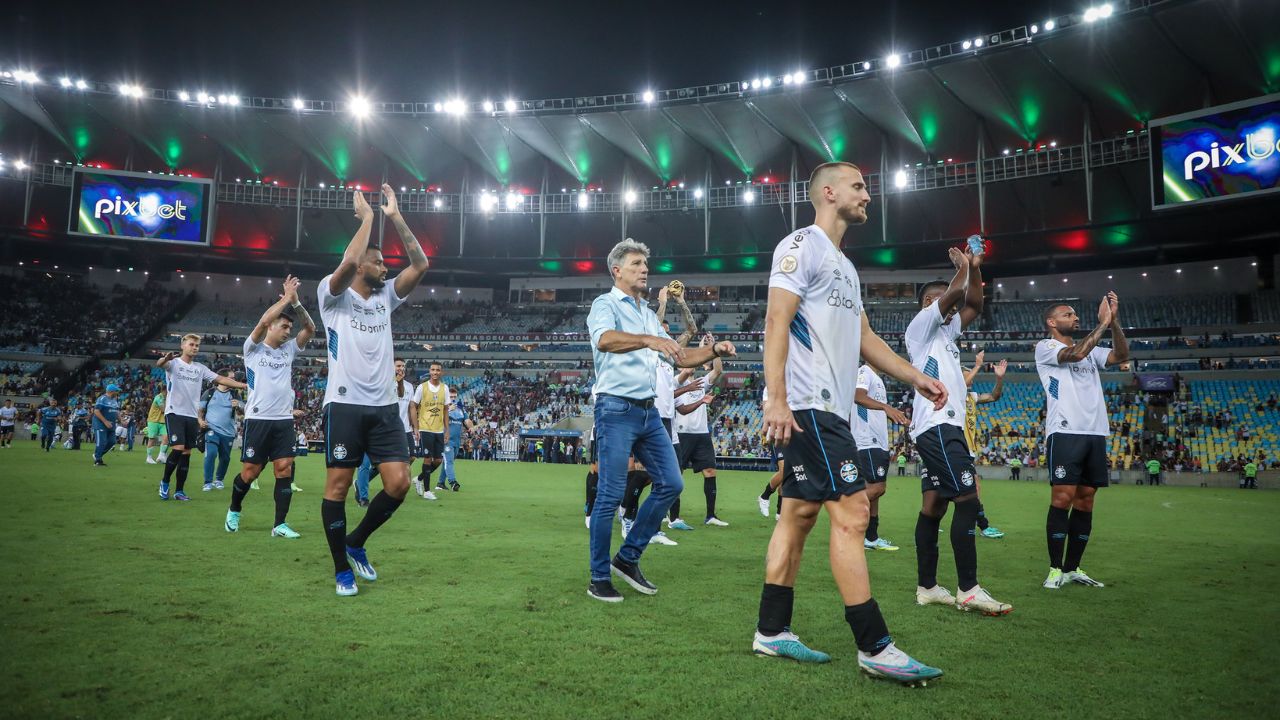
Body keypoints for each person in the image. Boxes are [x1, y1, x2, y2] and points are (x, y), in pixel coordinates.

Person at [755, 161, 944, 684]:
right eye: (860, 186)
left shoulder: (845, 266)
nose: (868, 195)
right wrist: (776, 397)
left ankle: (771, 631)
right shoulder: (801, 245)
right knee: (855, 512)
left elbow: (866, 340)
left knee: (797, 517)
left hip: (828, 408)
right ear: (830, 192)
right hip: (811, 403)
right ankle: (874, 645)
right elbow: (776, 319)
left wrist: (916, 378)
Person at [585, 237, 736, 603]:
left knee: (671, 483)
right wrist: (648, 341)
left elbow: (680, 357)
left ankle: (628, 557)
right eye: (636, 264)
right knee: (608, 495)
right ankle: (599, 577)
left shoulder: (648, 315)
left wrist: (713, 350)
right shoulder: (605, 305)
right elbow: (604, 340)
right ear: (617, 270)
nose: (644, 270)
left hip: (649, 411)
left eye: (645, 265)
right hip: (616, 408)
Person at [317, 185, 428, 596]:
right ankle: (340, 569)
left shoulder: (386, 298)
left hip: (383, 407)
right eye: (378, 262)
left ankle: (356, 542)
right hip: (344, 405)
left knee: (398, 483)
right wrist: (367, 221)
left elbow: (421, 263)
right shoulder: (332, 298)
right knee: (339, 489)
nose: (385, 268)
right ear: (362, 263)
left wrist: (394, 216)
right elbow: (346, 263)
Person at [905, 245, 1011, 616]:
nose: (946, 304)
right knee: (968, 499)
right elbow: (954, 295)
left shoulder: (948, 339)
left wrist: (975, 269)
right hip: (937, 426)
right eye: (936, 299)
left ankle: (928, 587)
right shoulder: (919, 330)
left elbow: (975, 304)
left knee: (933, 507)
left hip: (943, 427)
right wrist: (961, 270)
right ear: (926, 306)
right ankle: (969, 589)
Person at [1036, 292, 1129, 590]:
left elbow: (1121, 356)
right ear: (1052, 322)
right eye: (1068, 314)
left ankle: (1073, 568)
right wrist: (1102, 324)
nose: (1074, 317)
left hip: (1094, 432)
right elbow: (1075, 355)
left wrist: (1113, 323)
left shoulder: (1092, 351)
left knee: (1086, 500)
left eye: (1075, 314)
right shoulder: (1045, 347)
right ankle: (1054, 569)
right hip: (1065, 431)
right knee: (1062, 499)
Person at [224, 275, 316, 539]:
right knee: (250, 473)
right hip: (258, 419)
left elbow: (309, 329)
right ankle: (234, 509)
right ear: (271, 327)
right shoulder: (252, 349)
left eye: (289, 327)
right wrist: (285, 298)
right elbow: (263, 320)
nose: (288, 330)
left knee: (284, 468)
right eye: (284, 326)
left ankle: (279, 524)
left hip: (283, 420)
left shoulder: (289, 350)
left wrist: (296, 303)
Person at [156, 335, 248, 501]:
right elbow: (161, 364)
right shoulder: (175, 364)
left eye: (197, 345)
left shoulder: (200, 368)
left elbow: (220, 379)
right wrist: (165, 358)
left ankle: (179, 491)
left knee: (186, 453)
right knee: (178, 448)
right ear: (183, 345)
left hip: (191, 415)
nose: (195, 347)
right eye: (191, 344)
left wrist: (244, 385)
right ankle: (165, 482)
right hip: (175, 411)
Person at [654, 287, 699, 531]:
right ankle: (627, 511)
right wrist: (662, 303)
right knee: (642, 473)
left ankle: (673, 518)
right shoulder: (649, 347)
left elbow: (692, 330)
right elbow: (653, 325)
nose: (668, 332)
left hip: (668, 418)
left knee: (674, 471)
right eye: (664, 330)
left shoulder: (670, 353)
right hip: (650, 414)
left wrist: (681, 302)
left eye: (670, 331)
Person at [852, 363, 909, 551]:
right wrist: (886, 408)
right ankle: (843, 513)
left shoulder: (877, 379)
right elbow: (858, 397)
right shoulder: (864, 372)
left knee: (874, 493)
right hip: (868, 441)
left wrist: (895, 415)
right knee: (877, 488)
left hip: (878, 442)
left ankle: (871, 538)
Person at [675, 336, 727, 526]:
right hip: (682, 434)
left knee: (710, 471)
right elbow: (688, 368)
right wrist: (704, 348)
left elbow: (718, 370)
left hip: (701, 434)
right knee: (676, 475)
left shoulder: (701, 382)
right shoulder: (677, 382)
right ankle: (672, 516)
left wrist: (714, 349)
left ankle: (711, 515)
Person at [961, 351, 1007, 539]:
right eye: (966, 376)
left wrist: (999, 379)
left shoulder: (972, 397)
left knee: (948, 490)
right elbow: (960, 385)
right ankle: (983, 526)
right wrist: (977, 366)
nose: (970, 380)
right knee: (973, 488)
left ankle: (932, 521)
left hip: (968, 449)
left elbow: (994, 396)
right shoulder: (952, 395)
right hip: (958, 448)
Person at [411, 362, 449, 498]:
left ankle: (419, 479)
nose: (435, 372)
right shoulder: (422, 387)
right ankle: (427, 491)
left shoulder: (445, 389)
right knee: (427, 459)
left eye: (438, 370)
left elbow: (445, 410)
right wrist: (416, 426)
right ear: (429, 371)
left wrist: (447, 430)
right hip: (425, 428)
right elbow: (413, 406)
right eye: (433, 369)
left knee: (438, 460)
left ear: (441, 372)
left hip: (438, 430)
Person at [200, 369, 240, 492]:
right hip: (211, 429)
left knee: (225, 458)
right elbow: (200, 411)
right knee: (211, 454)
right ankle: (207, 482)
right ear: (222, 379)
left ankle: (219, 480)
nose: (234, 381)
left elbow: (244, 410)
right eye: (231, 378)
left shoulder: (235, 394)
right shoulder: (209, 393)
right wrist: (200, 421)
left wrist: (238, 406)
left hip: (228, 432)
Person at [440, 386, 474, 491]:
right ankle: (453, 482)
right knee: (449, 461)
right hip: (446, 439)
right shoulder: (443, 406)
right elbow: (437, 419)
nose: (453, 398)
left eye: (454, 396)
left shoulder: (460, 408)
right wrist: (448, 410)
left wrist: (471, 427)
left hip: (456, 441)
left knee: (448, 461)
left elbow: (466, 420)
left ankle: (440, 483)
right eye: (451, 396)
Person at [90, 384, 121, 466]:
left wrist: (121, 420)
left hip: (111, 425)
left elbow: (116, 411)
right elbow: (96, 411)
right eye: (116, 391)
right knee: (101, 442)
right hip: (101, 424)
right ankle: (98, 461)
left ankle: (97, 455)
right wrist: (105, 421)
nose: (117, 392)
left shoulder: (114, 400)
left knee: (112, 441)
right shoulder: (102, 398)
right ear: (112, 391)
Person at [145, 389, 169, 464]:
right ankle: (149, 458)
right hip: (153, 420)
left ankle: (161, 456)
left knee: (166, 438)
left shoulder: (168, 397)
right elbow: (163, 409)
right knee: (152, 439)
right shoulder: (158, 397)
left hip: (163, 421)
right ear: (165, 390)